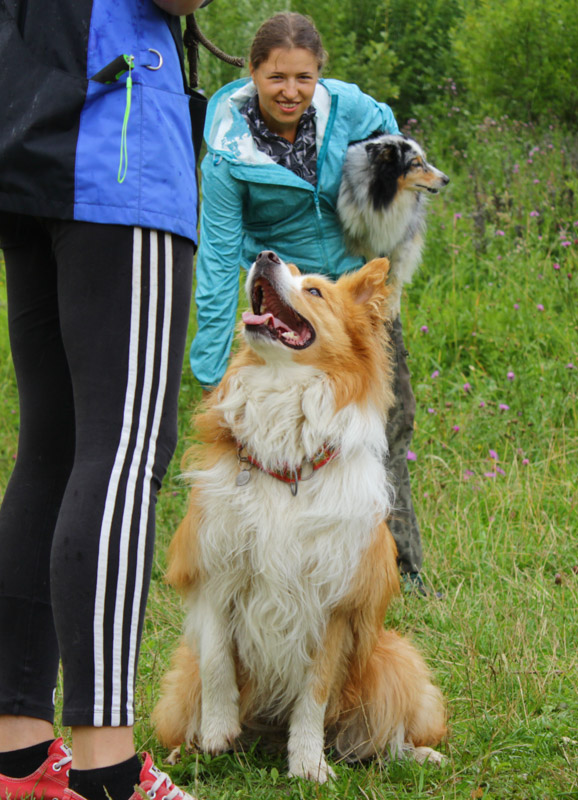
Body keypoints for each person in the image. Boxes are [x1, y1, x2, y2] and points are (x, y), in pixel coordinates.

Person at [0, 1, 206, 799]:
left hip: (24, 142)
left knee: (49, 456)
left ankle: (20, 762)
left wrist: (48, 43)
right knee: (121, 455)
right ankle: (107, 770)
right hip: (118, 148)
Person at [189, 12, 432, 595]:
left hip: (351, 295)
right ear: (252, 72)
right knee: (285, 436)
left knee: (387, 422)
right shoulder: (227, 149)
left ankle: (401, 566)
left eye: (304, 77)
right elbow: (218, 255)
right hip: (288, 298)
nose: (290, 91)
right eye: (276, 77)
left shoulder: (349, 109)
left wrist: (378, 221)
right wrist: (210, 361)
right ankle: (283, 560)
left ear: (320, 74)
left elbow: (393, 149)